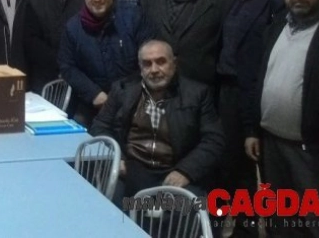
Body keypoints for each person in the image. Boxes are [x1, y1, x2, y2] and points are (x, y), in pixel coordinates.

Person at [243, 0, 319, 237]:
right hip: (272, 145)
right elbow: (261, 80)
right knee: (280, 220)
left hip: (317, 150)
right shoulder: (276, 26)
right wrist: (253, 130)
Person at [90, 40, 225, 200]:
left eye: (161, 62)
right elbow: (100, 126)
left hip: (174, 171)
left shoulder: (197, 94)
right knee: (106, 204)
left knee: (188, 209)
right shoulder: (122, 90)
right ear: (140, 68)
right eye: (147, 64)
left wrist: (185, 171)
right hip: (130, 170)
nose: (154, 70)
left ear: (174, 63)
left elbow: (214, 140)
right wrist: (117, 157)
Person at [215, 0, 285, 237]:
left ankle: (250, 229)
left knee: (257, 169)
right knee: (234, 164)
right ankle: (240, 225)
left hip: (256, 93)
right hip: (229, 92)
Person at [58, 0, 155, 125]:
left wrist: (125, 95)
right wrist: (94, 94)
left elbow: (148, 58)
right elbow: (67, 66)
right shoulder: (73, 27)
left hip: (133, 101)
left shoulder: (134, 17)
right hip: (92, 104)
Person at [141, 0, 230, 86]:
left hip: (203, 85)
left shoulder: (221, 2)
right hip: (159, 84)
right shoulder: (149, 1)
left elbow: (225, 49)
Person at [23, 0, 83, 93]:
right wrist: (60, 64)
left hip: (80, 75)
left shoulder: (84, 0)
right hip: (45, 77)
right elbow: (31, 41)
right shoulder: (34, 2)